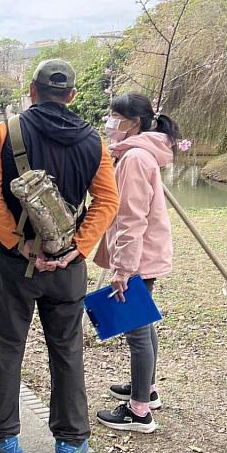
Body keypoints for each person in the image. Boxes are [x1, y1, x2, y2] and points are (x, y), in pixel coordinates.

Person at [0, 59, 119, 453]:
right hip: (68, 266)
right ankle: (70, 441)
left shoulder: (5, 133)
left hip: (15, 266)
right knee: (67, 349)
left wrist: (18, 244)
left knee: (7, 346)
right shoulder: (94, 142)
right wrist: (80, 246)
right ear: (71, 96)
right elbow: (108, 201)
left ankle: (4, 433)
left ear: (33, 91)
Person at [93, 93, 180, 434]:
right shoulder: (140, 154)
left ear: (133, 123)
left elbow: (131, 218)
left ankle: (139, 411)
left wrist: (123, 268)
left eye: (115, 117)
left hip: (138, 257)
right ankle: (148, 388)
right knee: (143, 322)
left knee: (136, 330)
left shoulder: (134, 159)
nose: (110, 123)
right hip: (147, 252)